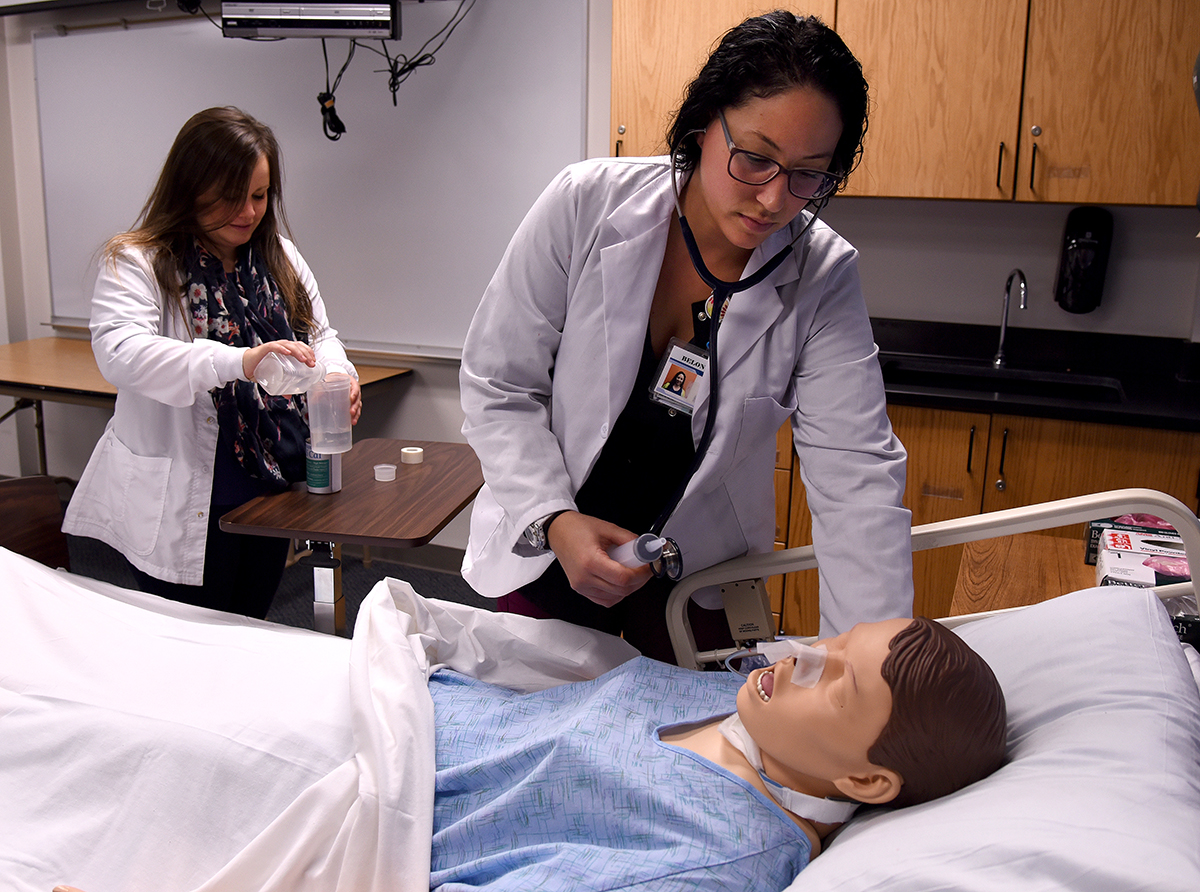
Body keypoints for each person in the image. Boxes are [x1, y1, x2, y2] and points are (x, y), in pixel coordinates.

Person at [459, 11, 912, 661]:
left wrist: (869, 670)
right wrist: (554, 521)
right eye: (755, 158)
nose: (774, 200)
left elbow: (857, 481)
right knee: (529, 721)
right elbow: (498, 383)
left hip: (700, 574)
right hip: (553, 539)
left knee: (698, 737)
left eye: (809, 175)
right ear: (704, 125)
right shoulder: (584, 205)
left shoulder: (823, 275)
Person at [48, 615, 1008, 890]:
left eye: (834, 679)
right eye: (827, 643)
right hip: (375, 700)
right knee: (92, 636)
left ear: (868, 781)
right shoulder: (749, 707)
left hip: (333, 788)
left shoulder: (711, 859)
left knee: (79, 723)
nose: (797, 660)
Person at [62, 106, 361, 619]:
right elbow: (123, 353)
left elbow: (320, 334)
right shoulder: (137, 261)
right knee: (189, 642)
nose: (247, 212)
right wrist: (239, 362)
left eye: (260, 196)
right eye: (230, 197)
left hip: (267, 489)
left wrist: (336, 375)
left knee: (249, 627)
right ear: (189, 187)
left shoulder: (277, 256)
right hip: (184, 500)